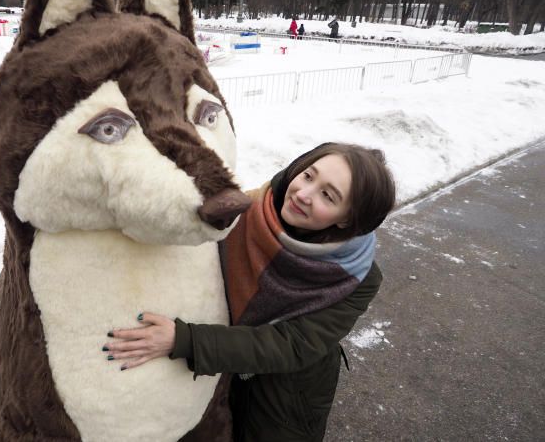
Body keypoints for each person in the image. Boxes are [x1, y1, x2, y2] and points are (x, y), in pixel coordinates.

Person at [103, 142, 396, 442]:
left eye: (327, 195)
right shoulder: (245, 212)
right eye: (309, 176)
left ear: (346, 219)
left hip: (284, 395)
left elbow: (293, 344)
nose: (304, 195)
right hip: (212, 374)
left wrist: (184, 339)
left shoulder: (357, 276)